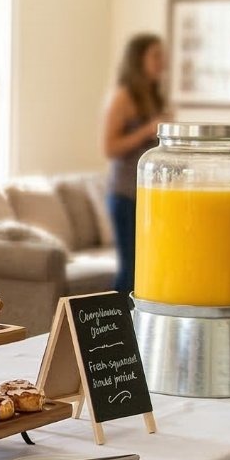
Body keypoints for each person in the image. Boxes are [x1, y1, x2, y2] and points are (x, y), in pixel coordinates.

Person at [99, 33, 171, 294]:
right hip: (126, 196)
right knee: (131, 271)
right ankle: (116, 327)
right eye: (156, 55)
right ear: (138, 59)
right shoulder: (123, 97)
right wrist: (147, 130)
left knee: (149, 268)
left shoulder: (153, 97)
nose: (163, 62)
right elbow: (110, 147)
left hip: (150, 196)